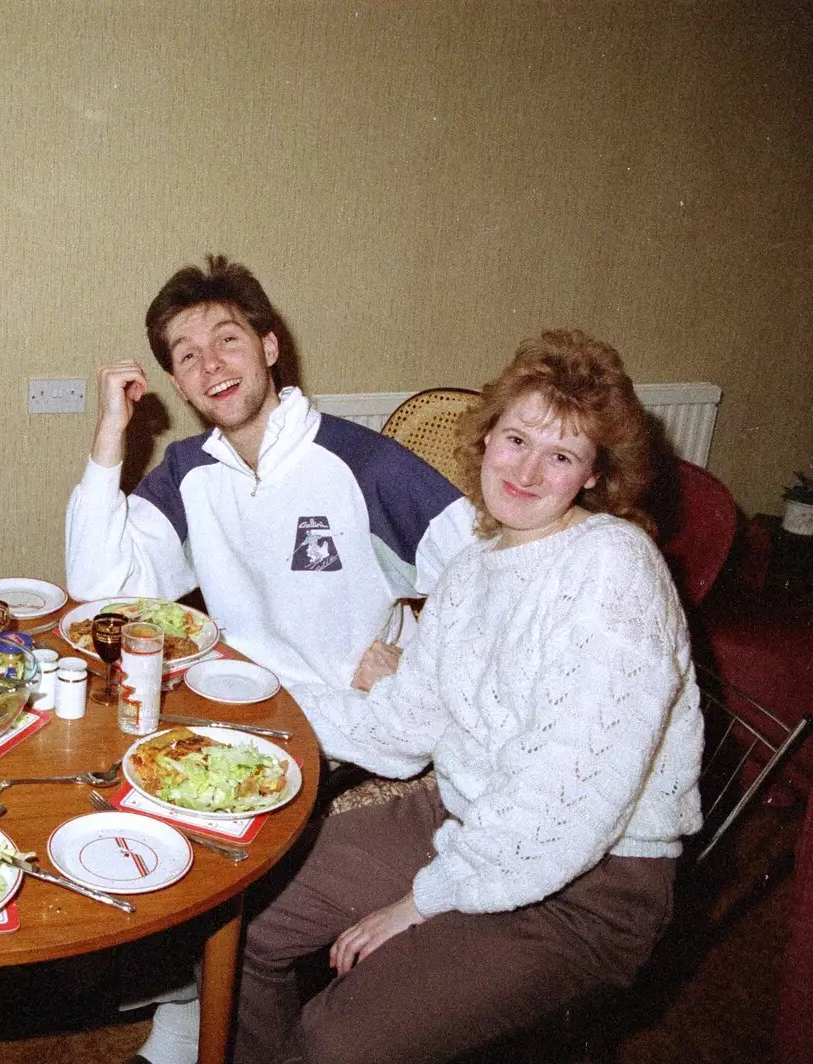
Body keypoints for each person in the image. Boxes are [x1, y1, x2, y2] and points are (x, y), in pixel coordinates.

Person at [233, 329, 704, 1064]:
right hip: (466, 818)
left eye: (562, 455)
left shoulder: (613, 568)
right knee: (243, 918)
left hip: (588, 885)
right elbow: (398, 723)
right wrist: (258, 705)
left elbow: (564, 800)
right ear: (485, 439)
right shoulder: (476, 567)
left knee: (335, 1040)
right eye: (515, 439)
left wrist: (423, 900)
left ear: (591, 476)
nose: (526, 469)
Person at [65, 255, 476, 1064]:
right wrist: (109, 440)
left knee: (224, 890)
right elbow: (100, 587)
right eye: (187, 356)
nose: (211, 364)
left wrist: (417, 659)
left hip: (355, 738)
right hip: (246, 713)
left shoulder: (361, 465)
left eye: (227, 339)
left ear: (270, 345)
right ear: (178, 386)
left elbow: (486, 582)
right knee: (103, 772)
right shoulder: (190, 475)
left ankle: (205, 992)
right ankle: (190, 993)